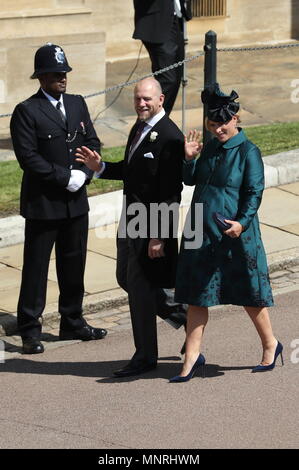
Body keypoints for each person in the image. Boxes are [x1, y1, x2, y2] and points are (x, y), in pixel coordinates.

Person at [76, 77, 196, 378]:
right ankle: (184, 317)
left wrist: (158, 235)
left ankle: (144, 356)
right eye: (137, 98)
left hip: (150, 222)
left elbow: (170, 191)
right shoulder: (140, 127)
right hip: (130, 218)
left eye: (147, 99)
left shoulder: (169, 136)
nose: (141, 103)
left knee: (140, 288)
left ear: (161, 100)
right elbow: (133, 172)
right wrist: (100, 168)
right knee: (125, 278)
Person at [170, 83, 283, 382]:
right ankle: (192, 357)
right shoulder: (209, 147)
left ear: (236, 119)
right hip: (200, 229)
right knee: (196, 294)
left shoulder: (249, 152)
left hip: (234, 232)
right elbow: (191, 181)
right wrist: (189, 158)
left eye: (222, 123)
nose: (217, 129)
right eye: (212, 124)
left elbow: (254, 191)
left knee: (248, 293)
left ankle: (271, 344)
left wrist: (242, 222)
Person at [10, 43, 107, 354]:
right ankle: (29, 328)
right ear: (41, 77)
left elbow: (92, 140)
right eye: (55, 73)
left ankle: (72, 320)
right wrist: (65, 177)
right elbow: (28, 158)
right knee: (36, 267)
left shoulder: (77, 104)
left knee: (74, 262)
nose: (62, 78)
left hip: (75, 202)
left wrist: (84, 172)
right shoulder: (27, 111)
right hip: (44, 203)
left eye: (64, 72)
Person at [133, 0, 192, 115]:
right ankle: (145, 126)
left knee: (176, 77)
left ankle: (161, 122)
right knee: (168, 79)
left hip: (175, 18)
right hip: (156, 22)